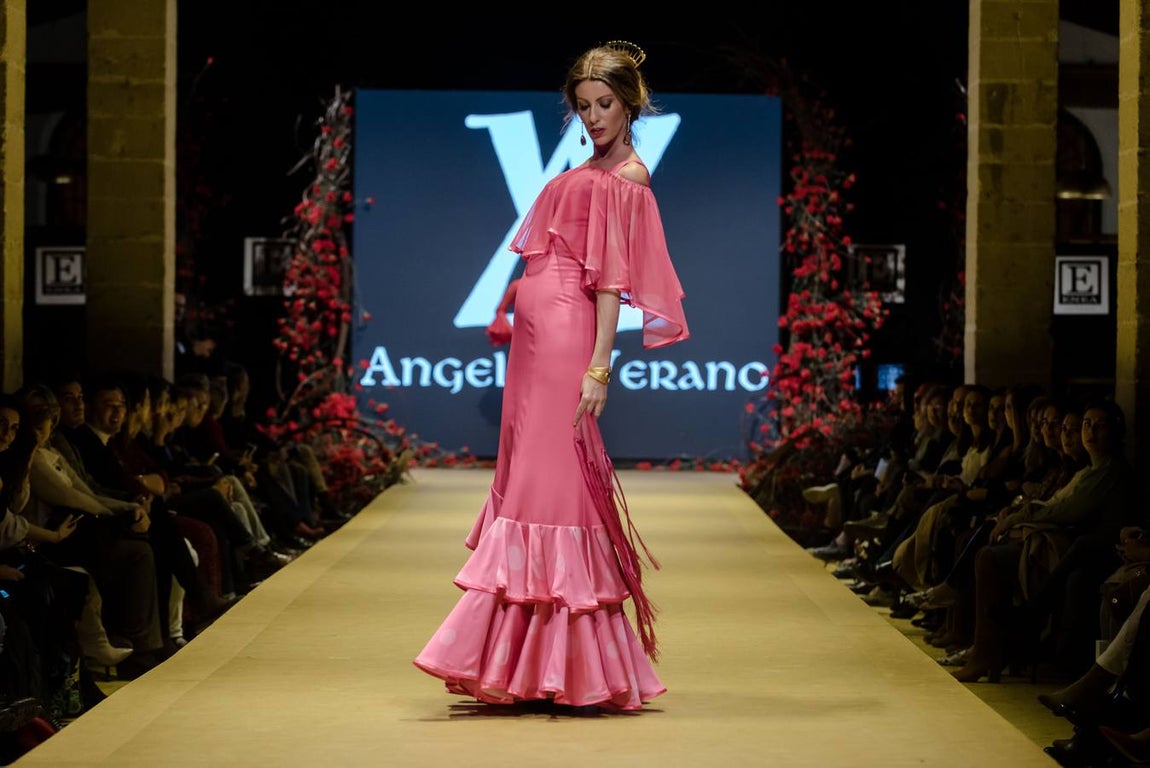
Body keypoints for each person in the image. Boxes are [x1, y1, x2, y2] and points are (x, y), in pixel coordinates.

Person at [413, 40, 689, 713]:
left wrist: (600, 366)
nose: (593, 116)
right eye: (584, 106)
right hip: (534, 343)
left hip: (569, 342)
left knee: (554, 485)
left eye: (605, 105)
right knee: (523, 483)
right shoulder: (589, 167)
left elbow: (611, 285)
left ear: (630, 105)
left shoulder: (629, 176)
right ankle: (522, 664)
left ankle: (562, 665)